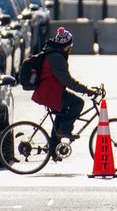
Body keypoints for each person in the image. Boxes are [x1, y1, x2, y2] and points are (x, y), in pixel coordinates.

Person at [31, 27, 96, 160]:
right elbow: (67, 80)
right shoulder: (56, 57)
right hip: (49, 93)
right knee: (78, 103)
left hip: (51, 91)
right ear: (67, 46)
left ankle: (54, 150)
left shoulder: (54, 53)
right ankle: (65, 130)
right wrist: (86, 90)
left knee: (61, 115)